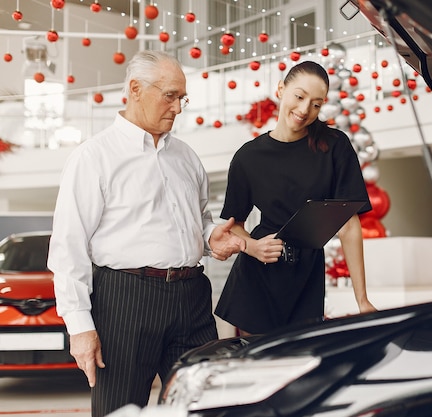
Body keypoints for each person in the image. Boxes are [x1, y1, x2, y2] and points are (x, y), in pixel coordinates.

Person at [47, 50, 245, 417]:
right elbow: (67, 250)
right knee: (119, 411)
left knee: (210, 407)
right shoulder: (94, 157)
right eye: (170, 95)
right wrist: (80, 327)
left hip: (192, 298)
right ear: (135, 89)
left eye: (182, 97)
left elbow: (198, 219)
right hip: (125, 300)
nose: (179, 107)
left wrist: (209, 235)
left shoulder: (186, 157)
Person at [215, 60, 377, 336]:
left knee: (302, 365)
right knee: (259, 371)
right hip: (258, 278)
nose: (305, 110)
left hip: (307, 276)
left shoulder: (335, 146)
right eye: (299, 97)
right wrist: (253, 247)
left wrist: (362, 299)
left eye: (316, 104)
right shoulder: (247, 157)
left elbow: (349, 226)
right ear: (281, 90)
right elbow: (234, 224)